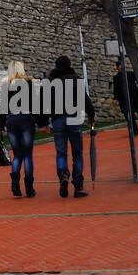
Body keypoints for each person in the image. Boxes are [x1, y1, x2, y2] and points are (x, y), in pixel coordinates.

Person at [47, 56, 95, 198]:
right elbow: (85, 99)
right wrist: (91, 114)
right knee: (77, 153)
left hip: (57, 120)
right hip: (73, 118)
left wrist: (43, 121)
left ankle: (63, 174)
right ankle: (78, 186)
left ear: (56, 66)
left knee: (61, 152)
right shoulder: (76, 80)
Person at [0, 60, 46, 198]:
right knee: (28, 155)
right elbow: (35, 104)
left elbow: (3, 108)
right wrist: (41, 122)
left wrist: (1, 126)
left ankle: (15, 184)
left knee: (17, 155)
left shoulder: (6, 85)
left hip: (12, 120)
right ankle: (29, 188)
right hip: (26, 119)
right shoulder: (29, 83)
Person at [111, 57, 138, 135]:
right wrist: (115, 98)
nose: (121, 67)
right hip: (123, 99)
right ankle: (133, 130)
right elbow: (116, 89)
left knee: (131, 113)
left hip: (132, 96)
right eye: (120, 66)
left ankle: (135, 129)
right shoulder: (116, 77)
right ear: (117, 67)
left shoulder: (130, 74)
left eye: (122, 65)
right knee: (127, 114)